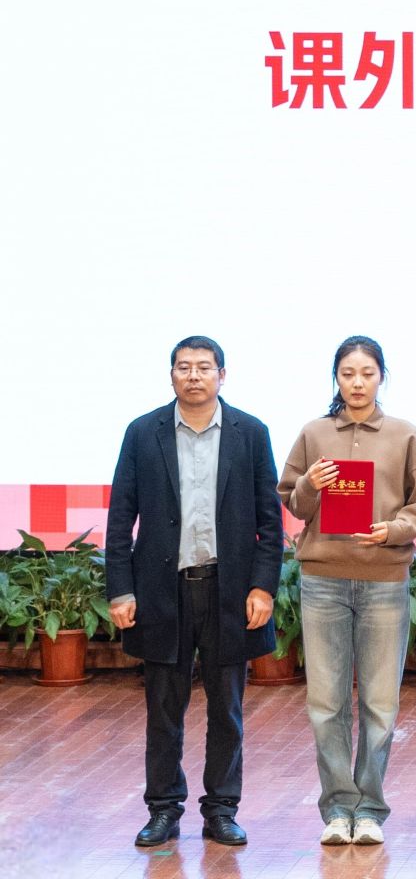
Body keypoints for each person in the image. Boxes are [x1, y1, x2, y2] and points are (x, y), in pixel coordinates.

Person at [107, 336, 284, 848]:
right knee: (164, 709)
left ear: (222, 375)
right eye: (183, 367)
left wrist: (263, 587)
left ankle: (222, 809)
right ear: (171, 376)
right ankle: (163, 809)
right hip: (163, 591)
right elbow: (121, 517)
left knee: (226, 709)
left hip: (230, 592)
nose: (193, 376)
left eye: (204, 367)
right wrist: (121, 589)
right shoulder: (144, 433)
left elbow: (269, 523)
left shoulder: (251, 433)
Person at [276, 336, 416, 846]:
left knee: (380, 704)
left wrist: (393, 530)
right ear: (337, 378)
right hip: (323, 580)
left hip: (384, 580)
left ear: (381, 376)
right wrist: (310, 485)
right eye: (348, 374)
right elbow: (293, 503)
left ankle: (369, 810)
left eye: (367, 373)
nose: (358, 382)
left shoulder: (404, 434)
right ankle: (337, 807)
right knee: (325, 703)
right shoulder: (314, 433)